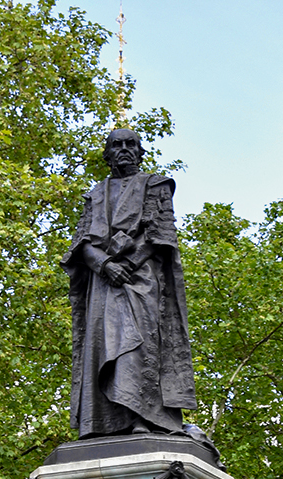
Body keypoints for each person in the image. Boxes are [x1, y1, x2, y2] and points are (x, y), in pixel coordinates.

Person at [64, 128, 196, 438]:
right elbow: (81, 242)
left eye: (131, 144)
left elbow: (161, 234)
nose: (124, 149)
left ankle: (142, 417)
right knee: (100, 345)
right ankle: (101, 422)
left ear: (140, 151)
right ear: (107, 154)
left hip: (141, 279)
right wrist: (105, 264)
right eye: (116, 145)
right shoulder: (95, 194)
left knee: (138, 346)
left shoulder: (156, 185)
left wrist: (128, 263)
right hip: (103, 282)